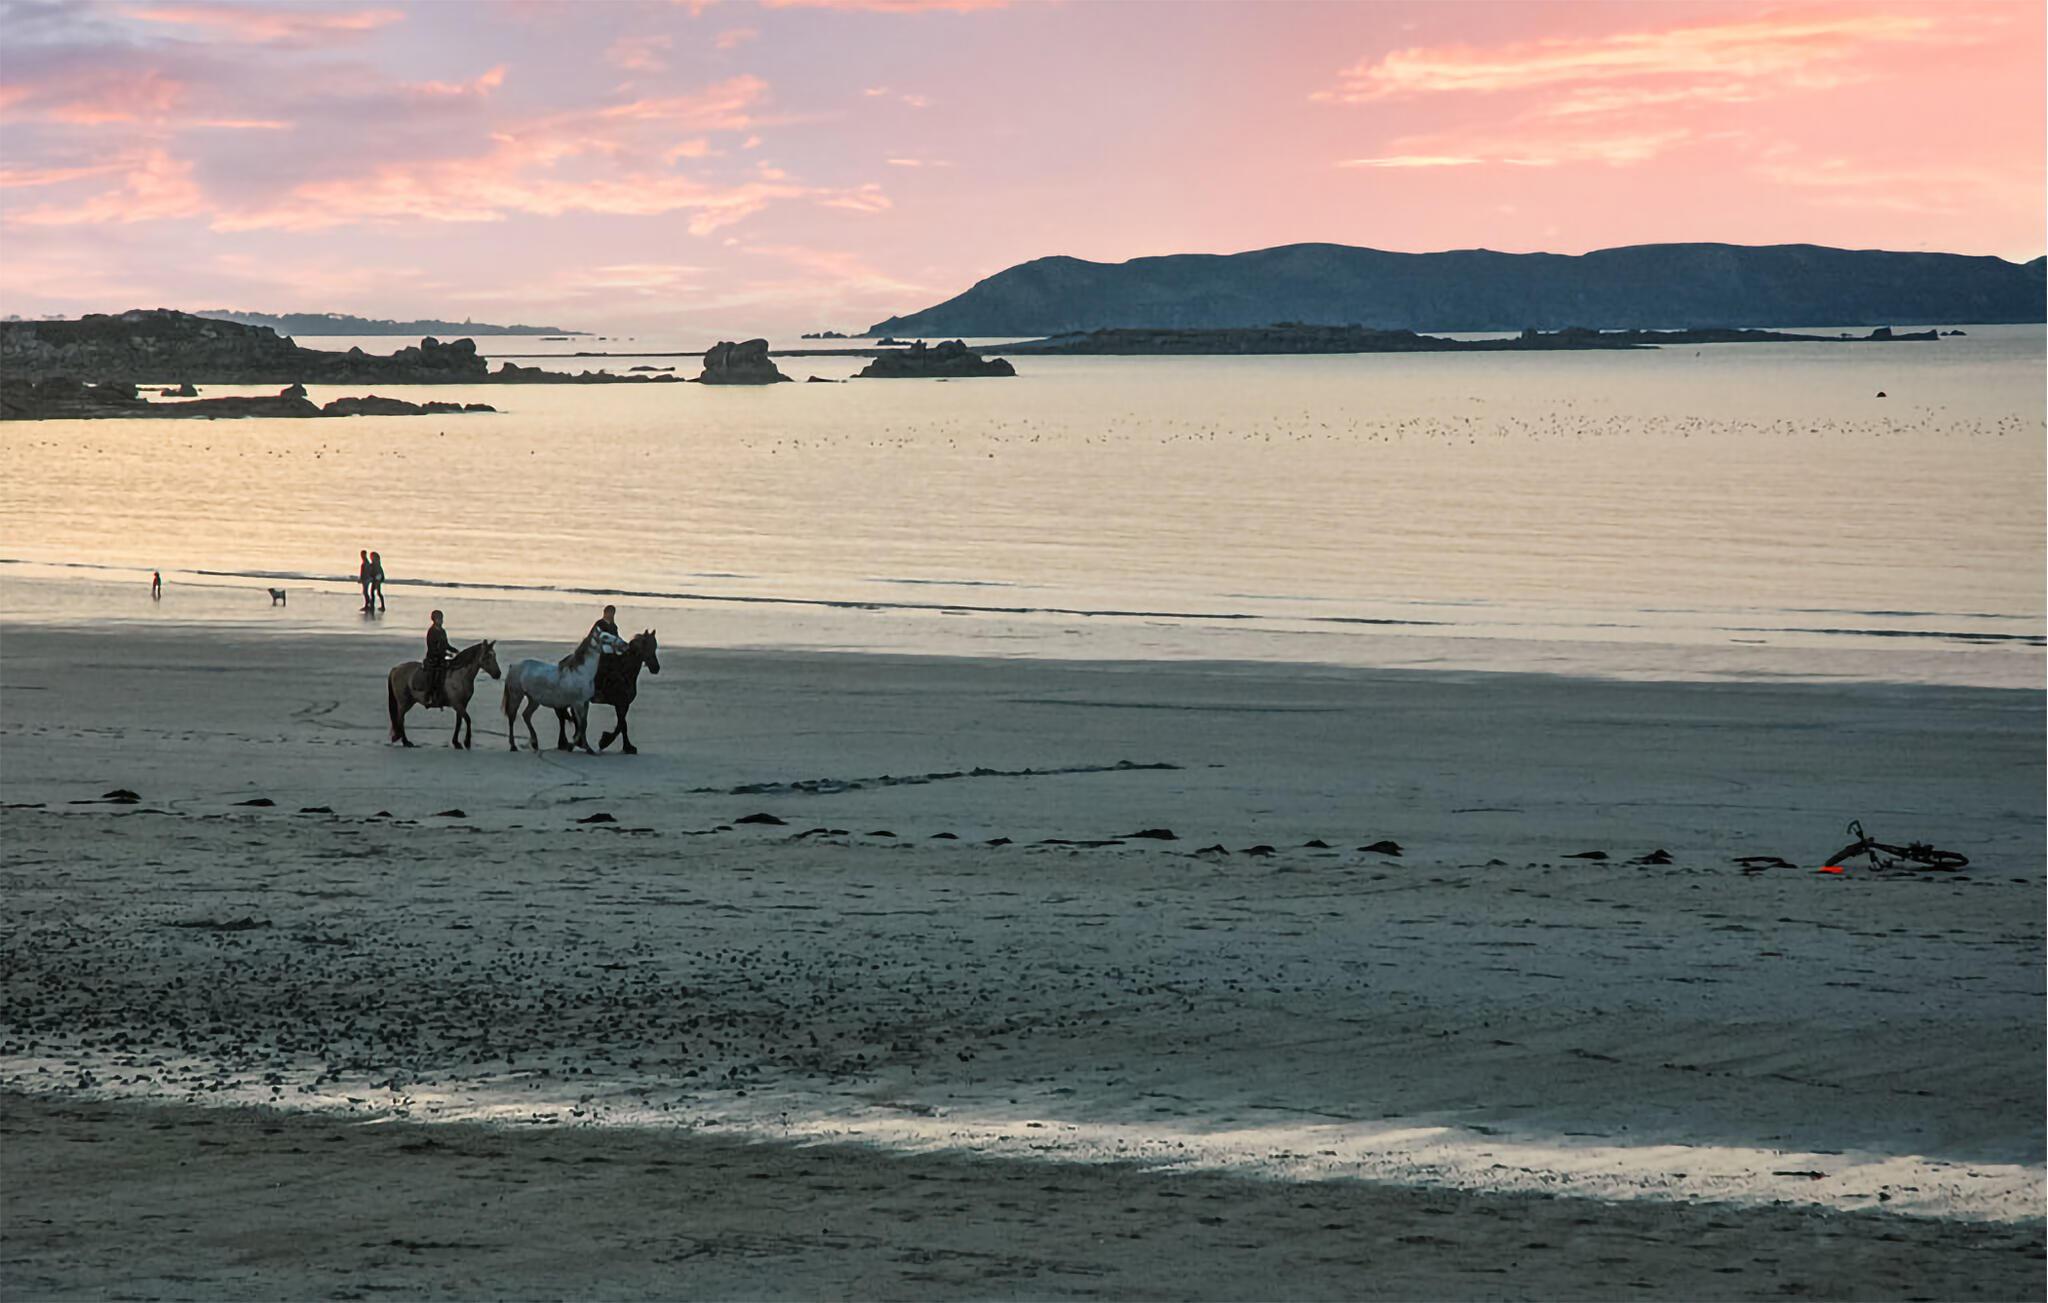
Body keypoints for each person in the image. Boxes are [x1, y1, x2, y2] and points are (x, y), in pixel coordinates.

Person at [417, 609, 451, 706]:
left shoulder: (443, 631)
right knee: (433, 675)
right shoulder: (431, 631)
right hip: (433, 658)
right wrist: (444, 654)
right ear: (434, 620)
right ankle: (428, 695)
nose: (441, 621)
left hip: (442, 657)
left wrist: (455, 651)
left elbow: (446, 645)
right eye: (439, 619)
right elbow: (431, 647)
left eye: (441, 618)